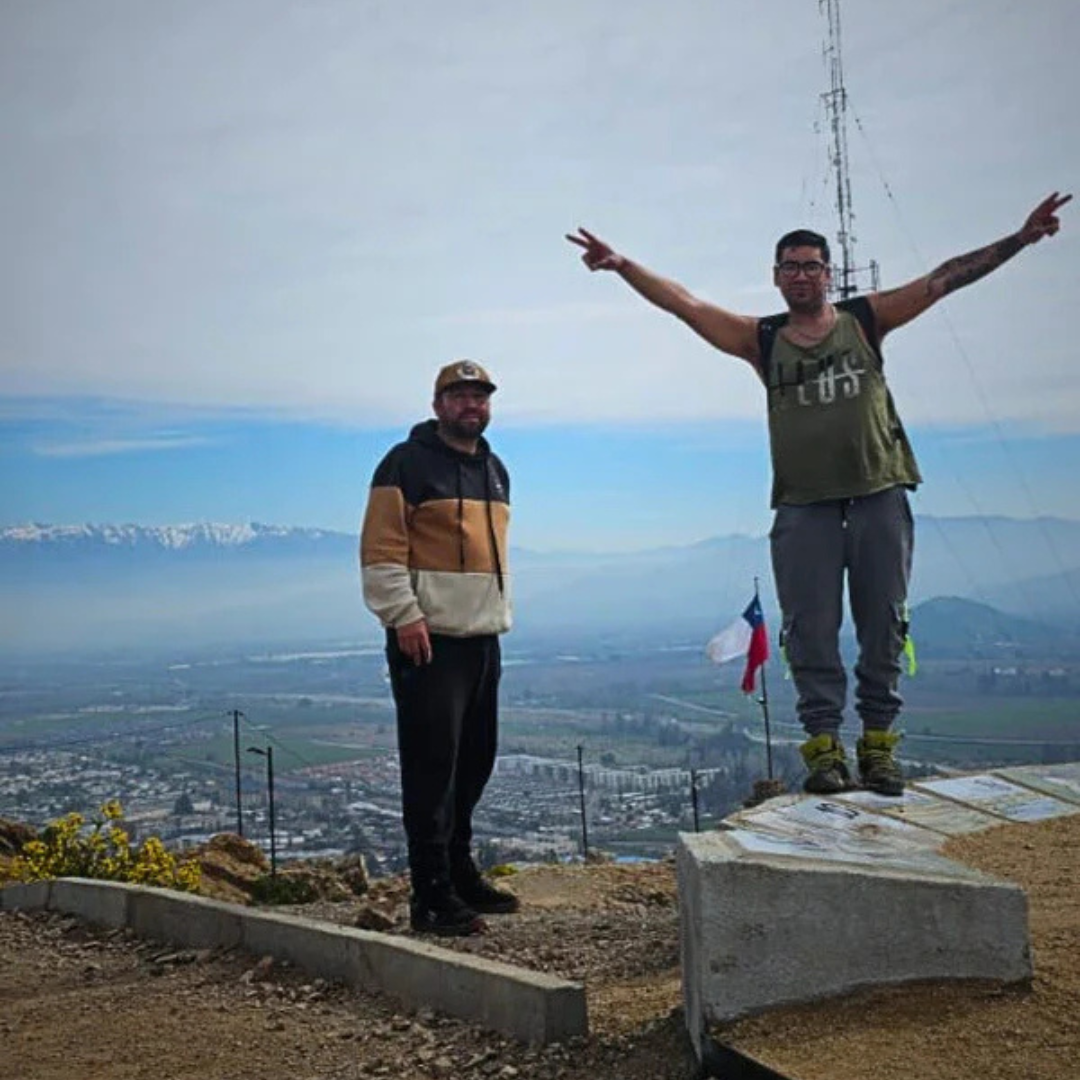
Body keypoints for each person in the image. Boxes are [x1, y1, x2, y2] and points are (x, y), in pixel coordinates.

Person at [567, 192, 1071, 796]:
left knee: (884, 623)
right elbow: (686, 304)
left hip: (878, 493)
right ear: (776, 278)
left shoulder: (865, 319)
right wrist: (624, 266)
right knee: (810, 629)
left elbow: (943, 280)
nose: (801, 275)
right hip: (803, 504)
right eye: (790, 266)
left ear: (828, 274)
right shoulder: (763, 338)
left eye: (812, 265)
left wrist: (1018, 238)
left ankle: (880, 746)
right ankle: (825, 751)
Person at [360, 360, 518, 935]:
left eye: (480, 396)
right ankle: (429, 896)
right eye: (459, 395)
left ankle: (459, 870)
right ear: (437, 404)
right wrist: (403, 615)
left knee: (475, 761)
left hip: (482, 637)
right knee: (431, 770)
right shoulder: (405, 464)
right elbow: (381, 548)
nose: (471, 404)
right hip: (428, 638)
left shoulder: (495, 469)